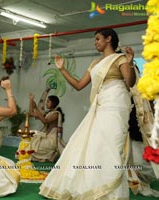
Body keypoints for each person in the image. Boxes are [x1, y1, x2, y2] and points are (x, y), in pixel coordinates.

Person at [39, 28, 136, 199]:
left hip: (116, 107)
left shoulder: (120, 59)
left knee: (112, 147)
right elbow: (78, 85)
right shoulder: (95, 63)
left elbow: (129, 83)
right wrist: (62, 70)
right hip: (99, 107)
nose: (95, 42)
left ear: (108, 39)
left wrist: (129, 62)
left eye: (98, 39)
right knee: (94, 146)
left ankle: (109, 190)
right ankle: (93, 188)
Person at [127, 66, 159, 197]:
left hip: (145, 127)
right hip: (131, 128)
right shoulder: (126, 89)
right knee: (135, 160)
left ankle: (146, 180)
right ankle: (139, 182)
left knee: (146, 160)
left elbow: (151, 107)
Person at [28, 86, 65, 162]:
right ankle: (50, 155)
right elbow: (31, 113)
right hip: (46, 137)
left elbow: (45, 121)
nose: (46, 103)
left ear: (53, 103)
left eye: (48, 102)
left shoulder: (56, 114)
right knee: (30, 141)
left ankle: (52, 154)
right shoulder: (48, 113)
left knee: (33, 147)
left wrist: (38, 113)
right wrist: (31, 100)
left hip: (51, 140)